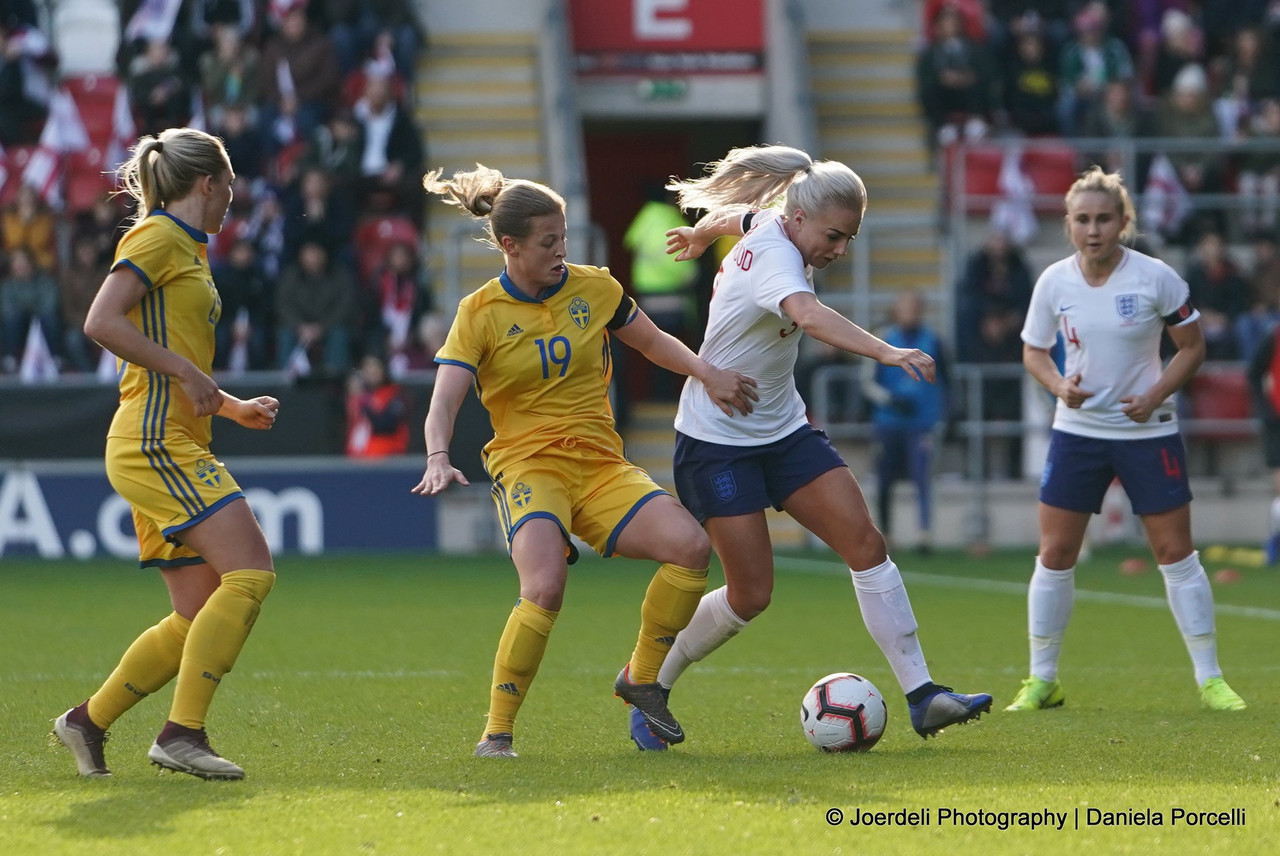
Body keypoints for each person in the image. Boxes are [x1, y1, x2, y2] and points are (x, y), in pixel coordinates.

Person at [631, 144, 992, 751]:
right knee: (751, 594)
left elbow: (736, 218)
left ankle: (923, 695)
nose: (840, 249)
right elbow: (809, 313)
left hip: (785, 432)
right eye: (835, 235)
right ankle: (647, 682)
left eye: (849, 237)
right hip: (717, 441)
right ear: (800, 221)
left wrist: (701, 233)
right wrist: (888, 351)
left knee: (865, 543)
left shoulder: (772, 220)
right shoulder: (778, 258)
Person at [412, 164, 758, 758]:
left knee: (691, 548)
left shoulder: (594, 286)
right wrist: (438, 456)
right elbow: (445, 398)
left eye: (564, 238)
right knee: (545, 586)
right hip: (528, 467)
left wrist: (709, 373)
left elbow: (651, 341)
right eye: (548, 243)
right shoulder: (480, 312)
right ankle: (497, 734)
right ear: (509, 246)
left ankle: (641, 679)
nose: (561, 252)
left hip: (600, 465)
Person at [51, 128, 280, 780]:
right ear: (207, 183)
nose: (233, 199)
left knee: (194, 612)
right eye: (230, 186)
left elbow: (173, 359)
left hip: (167, 438)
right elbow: (101, 321)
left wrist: (231, 406)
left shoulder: (186, 248)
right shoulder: (156, 238)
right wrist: (184, 371)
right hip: (155, 443)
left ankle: (85, 723)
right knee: (251, 572)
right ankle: (182, 734)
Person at [1006, 166, 1247, 714]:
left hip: (1148, 432)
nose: (1093, 230)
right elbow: (1034, 351)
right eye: (1082, 219)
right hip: (1077, 433)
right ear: (1067, 223)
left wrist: (1156, 394)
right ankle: (1042, 679)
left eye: (1104, 219)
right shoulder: (1053, 283)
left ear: (1124, 222)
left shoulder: (1156, 277)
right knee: (1055, 553)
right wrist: (1057, 386)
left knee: (1174, 553)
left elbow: (1191, 347)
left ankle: (1211, 679)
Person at [859, 291, 947, 553]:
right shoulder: (884, 339)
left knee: (923, 477)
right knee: (885, 479)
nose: (910, 313)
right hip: (888, 421)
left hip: (922, 422)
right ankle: (886, 533)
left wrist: (946, 414)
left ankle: (924, 534)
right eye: (905, 307)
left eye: (914, 308)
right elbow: (867, 380)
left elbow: (947, 380)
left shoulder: (934, 341)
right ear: (896, 311)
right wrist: (889, 400)